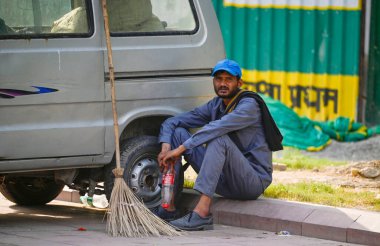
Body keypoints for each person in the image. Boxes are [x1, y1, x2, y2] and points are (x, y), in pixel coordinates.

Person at [155, 59, 282, 231]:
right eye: (218, 79)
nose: (223, 83)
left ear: (239, 82)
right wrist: (166, 148)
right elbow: (173, 122)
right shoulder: (216, 105)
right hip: (223, 179)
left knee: (218, 138)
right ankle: (168, 207)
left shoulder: (249, 105)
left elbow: (216, 128)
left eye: (228, 79)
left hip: (251, 182)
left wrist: (179, 150)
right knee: (178, 133)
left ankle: (201, 214)